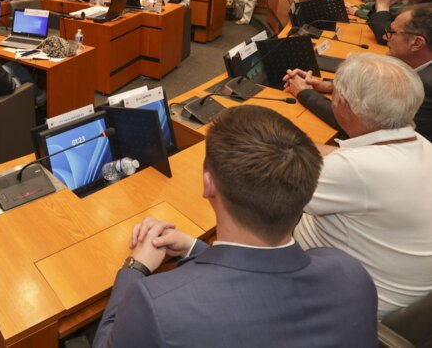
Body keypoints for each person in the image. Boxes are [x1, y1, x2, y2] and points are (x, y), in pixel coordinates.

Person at [93, 105, 377, 347]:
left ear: (208, 185)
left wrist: (135, 268)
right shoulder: (351, 274)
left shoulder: (156, 305)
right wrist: (194, 248)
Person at [292, 53, 432, 319]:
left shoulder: (353, 169)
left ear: (343, 105)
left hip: (342, 301)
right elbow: (343, 161)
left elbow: (270, 190)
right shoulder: (419, 143)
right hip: (393, 292)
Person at [285, 5, 432, 141]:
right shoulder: (421, 70)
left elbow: (361, 124)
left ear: (416, 43)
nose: (385, 37)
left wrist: (304, 93)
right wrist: (331, 86)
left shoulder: (426, 85)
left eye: (392, 33)